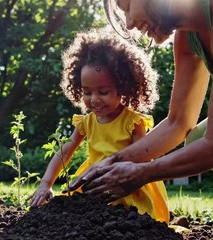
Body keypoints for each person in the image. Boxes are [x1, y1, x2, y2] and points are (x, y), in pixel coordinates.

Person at [67, 0, 213, 209]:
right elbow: (178, 123)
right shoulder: (188, 36)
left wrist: (141, 173)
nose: (128, 24)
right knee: (199, 139)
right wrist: (115, 160)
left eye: (128, 6)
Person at [29, 28, 170, 223]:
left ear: (123, 88)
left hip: (126, 184)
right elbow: (65, 151)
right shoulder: (86, 122)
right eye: (87, 92)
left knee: (131, 223)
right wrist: (46, 183)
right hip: (93, 181)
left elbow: (144, 157)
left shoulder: (132, 121)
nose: (94, 100)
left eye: (103, 91)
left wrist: (125, 174)